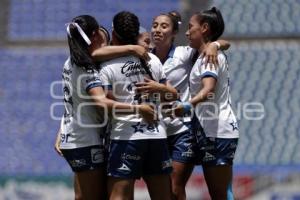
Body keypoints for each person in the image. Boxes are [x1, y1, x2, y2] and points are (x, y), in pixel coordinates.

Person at [57, 14, 156, 200]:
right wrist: (139, 109)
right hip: (85, 140)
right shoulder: (87, 68)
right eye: (103, 41)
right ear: (93, 36)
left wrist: (60, 131)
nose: (106, 48)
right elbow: (101, 102)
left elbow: (70, 101)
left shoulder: (70, 62)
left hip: (75, 136)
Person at [135, 10, 230, 200]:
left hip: (182, 129)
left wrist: (215, 45)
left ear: (174, 32)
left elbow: (223, 44)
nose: (157, 30)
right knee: (162, 189)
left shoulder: (185, 53)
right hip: (157, 130)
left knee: (175, 187)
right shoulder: (144, 58)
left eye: (164, 26)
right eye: (154, 25)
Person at [99, 11, 177, 200]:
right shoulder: (154, 60)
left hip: (126, 136)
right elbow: (170, 97)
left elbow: (106, 104)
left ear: (113, 33)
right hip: (156, 135)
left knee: (119, 195)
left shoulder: (106, 66)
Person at [170, 7, 239, 200]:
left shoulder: (210, 57)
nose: (186, 32)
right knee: (222, 193)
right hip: (211, 130)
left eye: (191, 27)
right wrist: (216, 44)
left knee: (220, 194)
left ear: (205, 28)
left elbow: (208, 90)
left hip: (218, 132)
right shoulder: (205, 54)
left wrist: (185, 106)